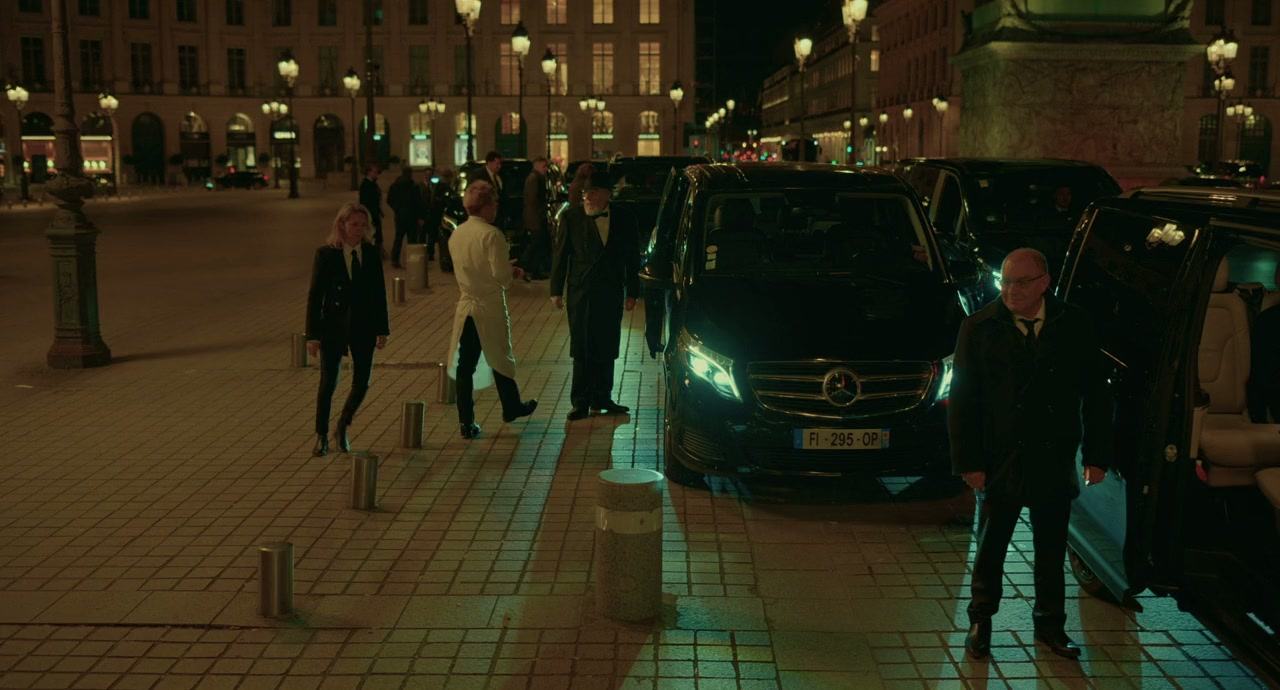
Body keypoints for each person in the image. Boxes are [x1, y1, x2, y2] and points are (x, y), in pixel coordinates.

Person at [949, 247, 1113, 661]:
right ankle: (980, 621)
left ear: (1044, 282)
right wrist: (969, 463)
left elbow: (1096, 392)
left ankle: (1051, 625)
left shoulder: (1072, 323)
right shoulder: (979, 327)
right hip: (999, 458)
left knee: (1050, 547)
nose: (1011, 291)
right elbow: (963, 401)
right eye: (1006, 282)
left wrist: (1096, 455)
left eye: (1021, 283)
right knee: (992, 546)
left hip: (1053, 455)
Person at [444, 181, 538, 439]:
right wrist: (512, 271)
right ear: (486, 207)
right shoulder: (491, 235)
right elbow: (501, 276)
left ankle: (466, 421)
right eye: (494, 204)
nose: (496, 208)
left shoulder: (457, 234)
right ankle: (511, 406)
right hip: (489, 305)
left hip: (467, 305)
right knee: (499, 356)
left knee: (466, 365)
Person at [549, 169, 640, 421]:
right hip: (582, 291)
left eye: (592, 192)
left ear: (607, 194)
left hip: (611, 290)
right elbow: (561, 255)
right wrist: (556, 290)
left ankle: (603, 396)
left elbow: (632, 256)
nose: (587, 197)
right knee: (582, 346)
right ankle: (580, 401)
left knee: (607, 344)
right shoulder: (571, 218)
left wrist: (633, 290)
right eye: (584, 192)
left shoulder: (625, 217)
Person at [305, 202, 391, 457]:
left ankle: (343, 424)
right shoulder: (326, 255)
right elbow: (315, 297)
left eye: (363, 225)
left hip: (364, 325)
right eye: (354, 224)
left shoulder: (371, 253)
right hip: (334, 326)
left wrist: (382, 328)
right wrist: (312, 335)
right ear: (342, 225)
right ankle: (321, 435)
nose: (359, 229)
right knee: (328, 383)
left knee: (362, 382)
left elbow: (379, 293)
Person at [520, 157, 552, 281]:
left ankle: (534, 269)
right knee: (536, 244)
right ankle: (529, 268)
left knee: (538, 244)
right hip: (535, 218)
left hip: (536, 217)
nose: (546, 169)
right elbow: (532, 200)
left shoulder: (536, 178)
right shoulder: (534, 179)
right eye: (544, 166)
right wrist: (539, 214)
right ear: (537, 166)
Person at [386, 165, 422, 268]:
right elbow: (418, 202)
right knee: (412, 240)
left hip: (400, 216)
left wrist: (397, 208)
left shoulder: (395, 185)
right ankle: (412, 260)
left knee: (398, 238)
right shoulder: (413, 186)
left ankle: (395, 259)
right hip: (411, 216)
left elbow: (389, 200)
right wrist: (420, 216)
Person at [358, 164, 384, 248]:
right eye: (374, 172)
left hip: (374, 212)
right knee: (372, 234)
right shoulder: (366, 184)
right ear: (369, 172)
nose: (376, 174)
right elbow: (365, 201)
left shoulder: (372, 183)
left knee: (376, 234)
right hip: (370, 213)